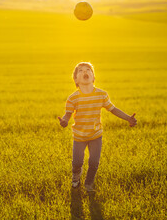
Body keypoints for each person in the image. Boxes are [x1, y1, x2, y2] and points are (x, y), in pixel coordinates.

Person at [58, 62, 137, 191]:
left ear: (93, 77)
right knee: (77, 162)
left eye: (88, 70)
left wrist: (128, 118)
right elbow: (68, 114)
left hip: (96, 135)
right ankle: (76, 177)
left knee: (94, 163)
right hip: (79, 136)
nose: (85, 72)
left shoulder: (101, 94)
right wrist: (65, 121)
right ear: (76, 79)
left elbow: (113, 109)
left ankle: (88, 184)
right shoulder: (73, 98)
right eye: (81, 70)